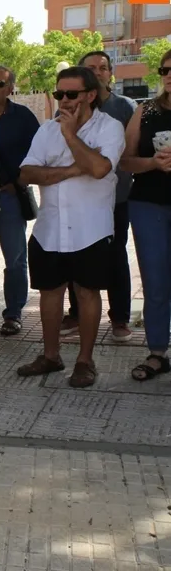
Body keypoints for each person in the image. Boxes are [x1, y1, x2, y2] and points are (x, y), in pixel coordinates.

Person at [17, 66, 125, 389]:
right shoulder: (46, 130)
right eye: (58, 94)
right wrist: (70, 170)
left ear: (91, 95)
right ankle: (51, 356)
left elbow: (100, 168)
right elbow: (26, 174)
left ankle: (84, 361)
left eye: (71, 94)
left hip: (90, 228)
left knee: (87, 292)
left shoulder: (110, 128)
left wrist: (70, 136)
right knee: (49, 293)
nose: (63, 100)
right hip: (49, 227)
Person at [60, 51, 138, 342]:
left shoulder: (126, 107)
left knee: (116, 256)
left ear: (109, 73)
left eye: (103, 68)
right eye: (91, 68)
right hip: (78, 200)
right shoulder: (66, 108)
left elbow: (132, 153)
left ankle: (120, 318)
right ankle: (77, 313)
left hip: (117, 198)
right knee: (74, 255)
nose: (98, 72)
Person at [119, 48, 171, 382]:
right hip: (148, 204)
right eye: (164, 69)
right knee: (155, 281)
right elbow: (125, 160)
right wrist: (153, 163)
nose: (169, 74)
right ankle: (157, 352)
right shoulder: (145, 110)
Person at [0, 66, 41, 337]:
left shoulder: (23, 117)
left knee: (15, 258)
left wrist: (19, 182)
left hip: (9, 198)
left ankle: (13, 313)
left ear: (10, 89)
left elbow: (39, 153)